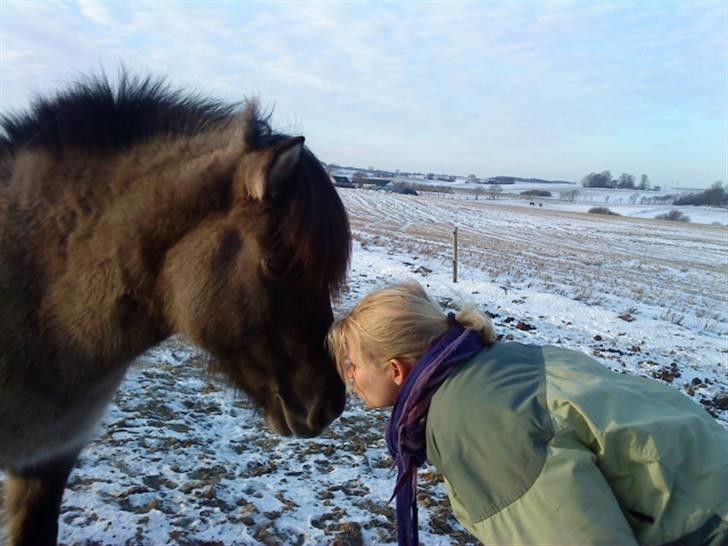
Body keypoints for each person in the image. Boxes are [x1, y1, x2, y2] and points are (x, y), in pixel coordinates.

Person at [327, 280, 728, 546]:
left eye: (353, 364)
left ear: (396, 370)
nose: (349, 377)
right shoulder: (498, 362)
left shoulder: (476, 422)